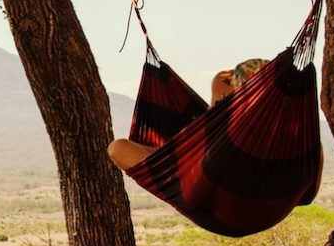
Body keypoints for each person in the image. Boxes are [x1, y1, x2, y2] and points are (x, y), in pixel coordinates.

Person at [108, 58, 268, 172]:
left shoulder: (261, 130)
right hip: (194, 156)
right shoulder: (221, 122)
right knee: (120, 147)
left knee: (119, 148)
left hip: (207, 171)